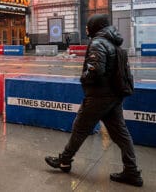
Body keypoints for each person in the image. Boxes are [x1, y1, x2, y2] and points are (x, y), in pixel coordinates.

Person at [44, 14, 143, 187]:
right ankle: (132, 171)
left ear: (95, 27)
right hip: (114, 95)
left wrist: (84, 77)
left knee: (80, 128)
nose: (87, 29)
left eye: (89, 26)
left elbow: (96, 70)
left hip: (99, 97)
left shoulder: (98, 43)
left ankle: (64, 161)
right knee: (121, 134)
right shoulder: (113, 41)